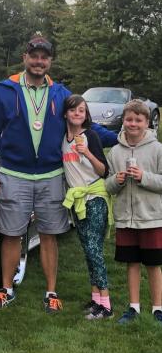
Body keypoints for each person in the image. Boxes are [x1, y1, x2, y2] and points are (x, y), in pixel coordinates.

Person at [0, 35, 118, 311]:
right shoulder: (4, 90)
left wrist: (123, 136)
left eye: (44, 57)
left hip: (51, 175)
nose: (39, 61)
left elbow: (85, 124)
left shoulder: (60, 93)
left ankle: (51, 292)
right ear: (25, 58)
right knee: (11, 234)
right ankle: (6, 289)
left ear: (50, 61)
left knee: (49, 234)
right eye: (35, 56)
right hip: (14, 174)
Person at [105, 99, 162, 324]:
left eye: (139, 120)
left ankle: (158, 308)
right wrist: (116, 181)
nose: (133, 124)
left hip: (151, 217)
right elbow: (107, 186)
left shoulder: (157, 150)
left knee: (154, 264)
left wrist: (143, 177)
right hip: (125, 219)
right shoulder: (115, 152)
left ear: (147, 122)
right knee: (132, 262)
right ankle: (133, 307)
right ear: (123, 121)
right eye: (129, 119)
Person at [61, 95, 113, 320]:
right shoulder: (63, 138)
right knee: (88, 251)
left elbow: (104, 170)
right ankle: (95, 300)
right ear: (66, 114)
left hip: (94, 198)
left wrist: (87, 153)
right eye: (73, 110)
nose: (77, 114)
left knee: (95, 251)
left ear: (86, 114)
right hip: (78, 201)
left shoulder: (90, 136)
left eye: (81, 110)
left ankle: (107, 305)